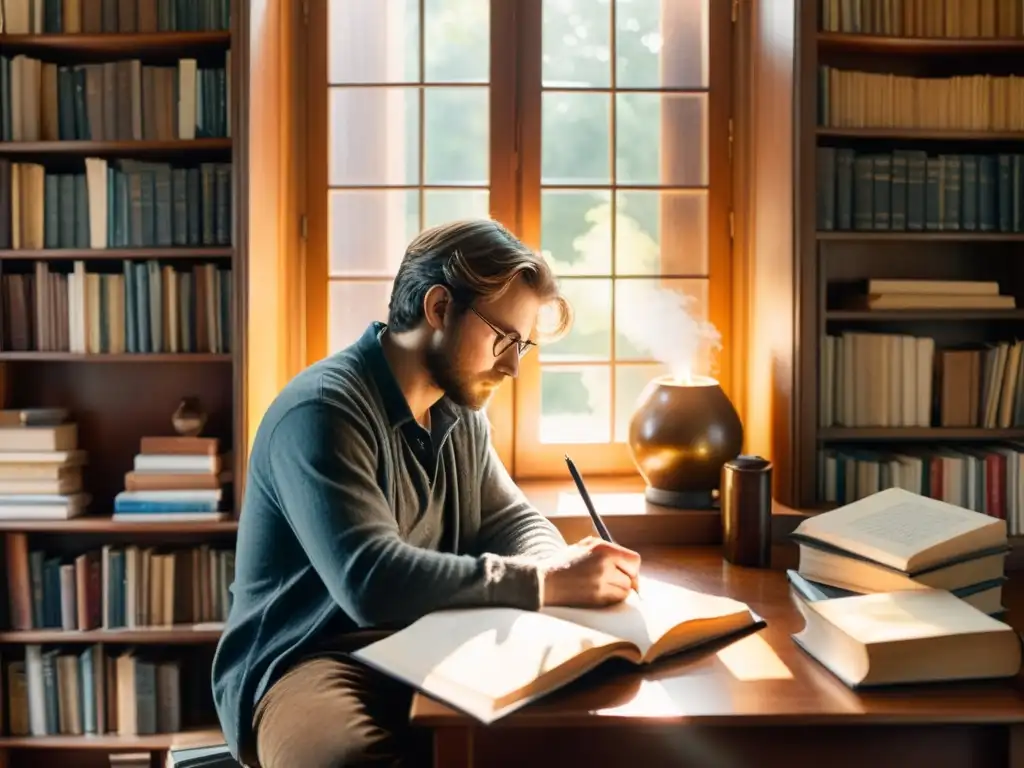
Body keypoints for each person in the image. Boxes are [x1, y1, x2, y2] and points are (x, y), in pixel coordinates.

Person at [211, 219, 642, 767]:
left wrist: (554, 565)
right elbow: (372, 582)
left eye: (523, 346)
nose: (511, 366)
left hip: (430, 638)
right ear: (439, 309)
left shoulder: (459, 412)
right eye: (504, 339)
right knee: (351, 762)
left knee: (573, 732)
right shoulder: (322, 412)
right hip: (311, 658)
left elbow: (511, 520)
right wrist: (545, 582)